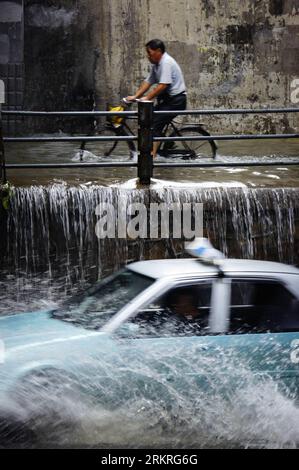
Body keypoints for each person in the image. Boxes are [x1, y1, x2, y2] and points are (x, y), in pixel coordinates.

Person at [125, 39, 187, 158]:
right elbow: (148, 81)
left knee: (155, 123)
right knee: (150, 120)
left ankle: (150, 157)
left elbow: (163, 85)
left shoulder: (166, 62)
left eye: (150, 52)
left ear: (158, 51)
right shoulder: (156, 65)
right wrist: (136, 96)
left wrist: (147, 97)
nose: (148, 56)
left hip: (176, 101)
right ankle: (166, 144)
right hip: (168, 100)